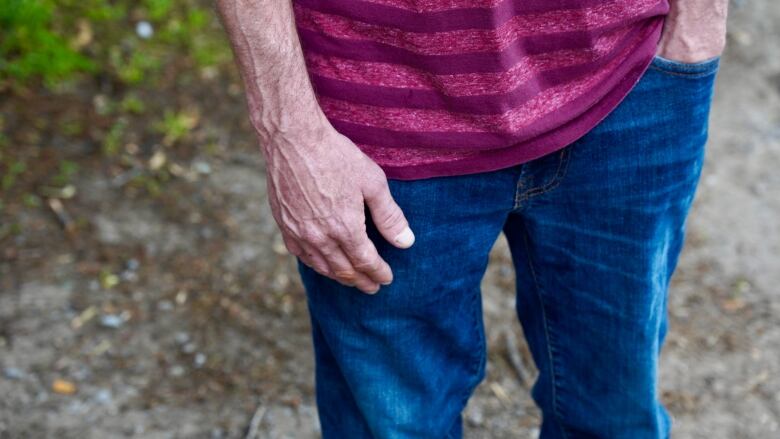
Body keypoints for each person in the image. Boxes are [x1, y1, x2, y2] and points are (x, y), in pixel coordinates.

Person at [217, 0, 728, 437]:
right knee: (394, 422)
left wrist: (701, 17)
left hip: (631, 77)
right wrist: (289, 128)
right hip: (374, 109)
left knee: (616, 411)